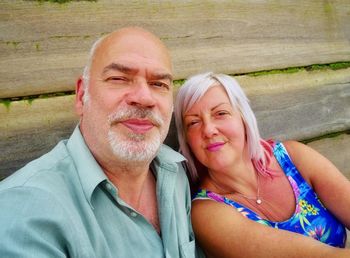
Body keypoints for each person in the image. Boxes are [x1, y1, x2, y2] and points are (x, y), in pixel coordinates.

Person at [0, 27, 201, 258]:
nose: (144, 98)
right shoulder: (23, 215)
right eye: (119, 79)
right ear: (81, 96)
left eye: (159, 84)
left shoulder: (175, 172)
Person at [174, 71, 350, 258]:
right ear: (187, 140)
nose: (208, 130)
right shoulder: (207, 214)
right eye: (193, 122)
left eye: (221, 113)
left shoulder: (292, 157)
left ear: (243, 118)